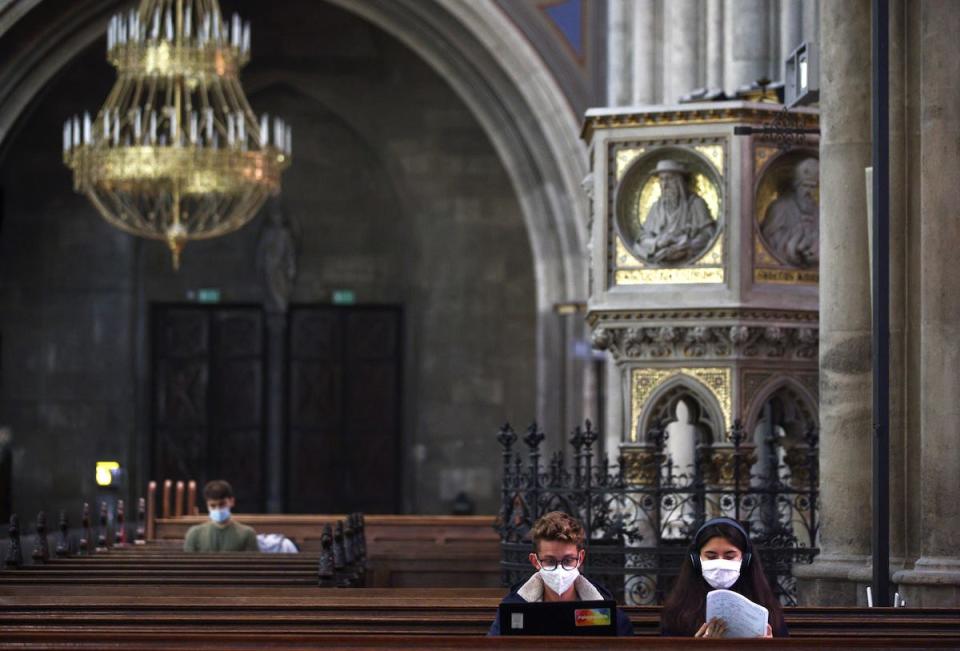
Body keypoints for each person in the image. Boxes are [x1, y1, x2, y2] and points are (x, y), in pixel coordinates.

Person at [487, 511, 634, 636]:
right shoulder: (513, 609)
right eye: (550, 561)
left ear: (580, 558)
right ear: (535, 561)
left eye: (568, 560)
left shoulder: (604, 610)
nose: (560, 570)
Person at [661, 517, 787, 637]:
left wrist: (768, 646)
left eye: (730, 556)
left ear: (745, 560)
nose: (720, 563)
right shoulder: (677, 611)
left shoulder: (765, 605)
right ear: (696, 560)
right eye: (711, 556)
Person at [634, 159, 716, 265]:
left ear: (679, 181)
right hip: (661, 255)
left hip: (688, 253)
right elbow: (642, 239)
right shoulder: (656, 208)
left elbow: (709, 234)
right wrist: (658, 243)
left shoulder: (696, 204)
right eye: (662, 180)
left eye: (669, 179)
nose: (665, 184)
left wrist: (687, 246)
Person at [762, 157, 819, 268]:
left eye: (813, 187)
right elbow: (772, 239)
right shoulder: (780, 207)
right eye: (805, 185)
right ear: (796, 186)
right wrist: (795, 238)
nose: (809, 191)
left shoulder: (818, 211)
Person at [183, 480, 259, 552]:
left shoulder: (247, 534)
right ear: (207, 505)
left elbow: (252, 564)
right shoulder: (194, 534)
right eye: (213, 506)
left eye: (222, 504)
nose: (218, 509)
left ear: (232, 502)